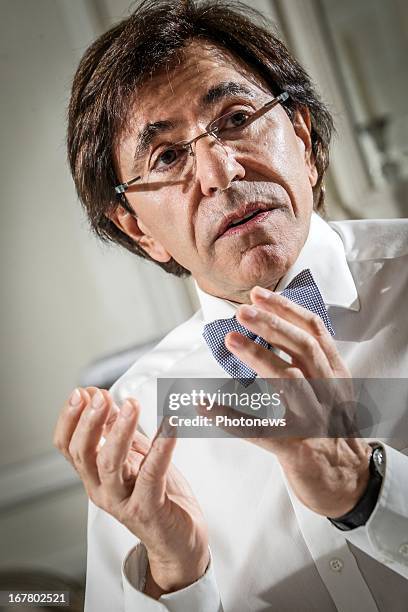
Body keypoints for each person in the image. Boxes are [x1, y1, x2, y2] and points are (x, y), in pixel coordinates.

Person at [53, 1, 408, 610]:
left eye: (237, 118)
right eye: (166, 157)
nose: (220, 172)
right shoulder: (137, 423)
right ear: (137, 227)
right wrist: (174, 576)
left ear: (301, 134)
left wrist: (369, 490)